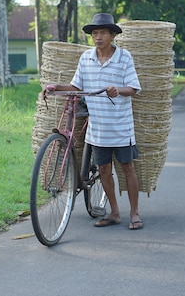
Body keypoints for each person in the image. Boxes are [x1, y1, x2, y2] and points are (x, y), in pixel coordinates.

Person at [44, 13, 143, 230]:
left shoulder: (124, 57)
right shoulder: (86, 58)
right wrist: (57, 86)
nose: (98, 37)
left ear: (113, 35)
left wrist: (118, 90)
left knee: (127, 167)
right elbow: (77, 87)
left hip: (120, 125)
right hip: (97, 128)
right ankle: (115, 213)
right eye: (95, 33)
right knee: (104, 170)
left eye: (103, 33)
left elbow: (133, 88)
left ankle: (134, 213)